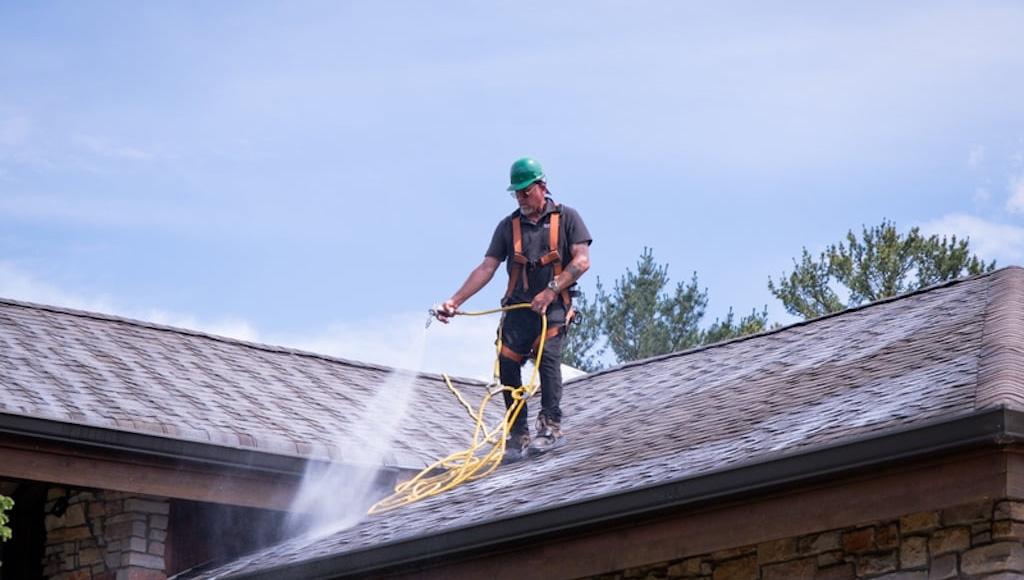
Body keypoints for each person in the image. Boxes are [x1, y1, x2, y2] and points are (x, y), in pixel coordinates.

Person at [435, 157, 592, 462]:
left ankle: (550, 428)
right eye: (516, 193)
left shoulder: (568, 218)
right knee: (507, 365)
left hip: (554, 309)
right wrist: (455, 302)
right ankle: (517, 433)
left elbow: (582, 261)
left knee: (548, 361)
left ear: (542, 187)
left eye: (525, 191)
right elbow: (487, 267)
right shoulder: (508, 227)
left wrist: (550, 291)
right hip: (518, 312)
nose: (521, 198)